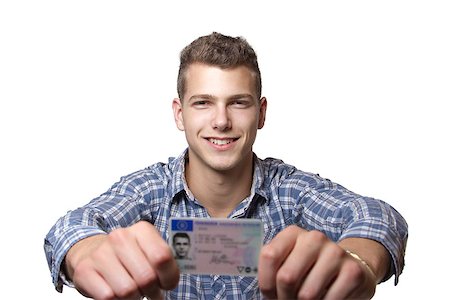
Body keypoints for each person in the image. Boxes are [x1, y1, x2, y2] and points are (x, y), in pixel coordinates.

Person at [44, 32, 408, 299]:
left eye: (238, 103)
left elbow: (376, 215)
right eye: (203, 103)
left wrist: (360, 260)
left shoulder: (289, 191)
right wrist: (86, 251)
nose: (221, 121)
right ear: (180, 113)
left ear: (261, 113)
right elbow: (72, 225)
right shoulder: (149, 189)